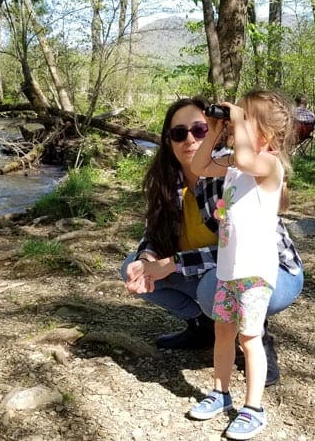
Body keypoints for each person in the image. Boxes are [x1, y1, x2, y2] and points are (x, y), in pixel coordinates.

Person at [121, 96, 304, 388]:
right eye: (179, 133)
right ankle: (203, 327)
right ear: (168, 142)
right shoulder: (168, 181)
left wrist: (172, 263)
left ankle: (256, 337)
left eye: (200, 130)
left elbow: (238, 248)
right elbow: (153, 234)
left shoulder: (241, 169)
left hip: (271, 270)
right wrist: (147, 261)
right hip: (218, 269)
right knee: (132, 266)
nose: (189, 139)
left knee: (213, 287)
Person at [186, 90, 292, 439]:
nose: (237, 127)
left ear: (268, 133)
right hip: (229, 270)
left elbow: (248, 160)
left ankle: (253, 409)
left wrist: (240, 121)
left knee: (250, 339)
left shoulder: (267, 164)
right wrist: (216, 129)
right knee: (223, 333)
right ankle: (219, 392)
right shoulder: (234, 162)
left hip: (255, 273)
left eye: (246, 121)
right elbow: (199, 166)